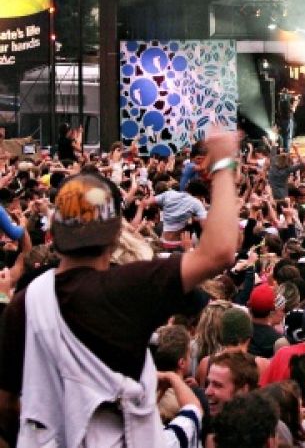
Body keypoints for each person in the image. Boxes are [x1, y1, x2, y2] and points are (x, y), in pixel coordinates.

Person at [0, 128, 238, 446]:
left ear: (55, 233)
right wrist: (223, 163)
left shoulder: (24, 303)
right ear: (116, 234)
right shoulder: (129, 288)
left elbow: (6, 402)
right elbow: (220, 251)